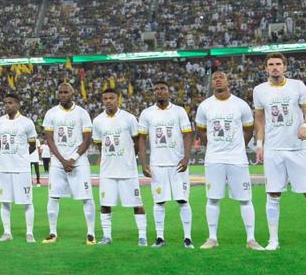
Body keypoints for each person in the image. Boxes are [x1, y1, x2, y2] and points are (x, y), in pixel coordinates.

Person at [253, 53, 306, 252]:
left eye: (278, 64)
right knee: (272, 194)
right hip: (273, 149)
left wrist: (305, 125)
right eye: (271, 64)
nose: (275, 68)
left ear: (285, 67)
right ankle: (273, 240)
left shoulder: (298, 86)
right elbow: (260, 120)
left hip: (297, 148)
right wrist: (260, 144)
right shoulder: (259, 90)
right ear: (266, 68)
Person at [194, 72, 261, 249]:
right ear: (212, 83)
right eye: (214, 78)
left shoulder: (241, 105)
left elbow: (249, 130)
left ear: (227, 81)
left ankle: (251, 239)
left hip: (237, 159)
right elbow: (200, 129)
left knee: (245, 199)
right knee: (213, 198)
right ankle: (212, 238)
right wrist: (211, 145)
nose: (217, 80)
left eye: (221, 77)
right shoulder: (205, 106)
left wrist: (239, 146)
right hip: (214, 159)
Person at [139, 82, 195, 248]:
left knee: (183, 200)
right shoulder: (147, 113)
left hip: (177, 164)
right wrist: (143, 163)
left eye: (163, 89)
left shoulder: (179, 111)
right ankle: (160, 238)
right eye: (156, 89)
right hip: (157, 165)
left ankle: (187, 238)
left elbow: (187, 135)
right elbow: (142, 139)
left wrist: (186, 158)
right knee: (159, 201)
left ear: (169, 92)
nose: (159, 91)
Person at [91, 88, 148, 246]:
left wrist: (129, 156)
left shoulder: (129, 118)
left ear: (118, 100)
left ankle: (142, 236)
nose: (108, 101)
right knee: (105, 204)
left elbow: (137, 141)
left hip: (127, 170)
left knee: (137, 203)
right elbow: (98, 143)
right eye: (105, 98)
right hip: (107, 171)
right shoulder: (97, 121)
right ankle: (107, 236)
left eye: (111, 98)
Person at [41, 83, 96, 245]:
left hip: (79, 162)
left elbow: (87, 139)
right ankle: (52, 232)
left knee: (87, 197)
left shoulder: (82, 113)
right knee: (53, 196)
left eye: (66, 92)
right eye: (61, 92)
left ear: (73, 94)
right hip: (58, 162)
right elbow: (49, 139)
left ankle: (91, 233)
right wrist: (63, 160)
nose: (63, 95)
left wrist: (73, 158)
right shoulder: (51, 113)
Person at [0, 93, 39, 242]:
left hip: (22, 168)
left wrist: (21, 156)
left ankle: (29, 233)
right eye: (5, 103)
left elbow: (32, 145)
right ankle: (7, 233)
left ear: (18, 104)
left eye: (11, 103)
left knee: (27, 201)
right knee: (5, 201)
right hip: (5, 168)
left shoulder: (27, 122)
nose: (7, 105)